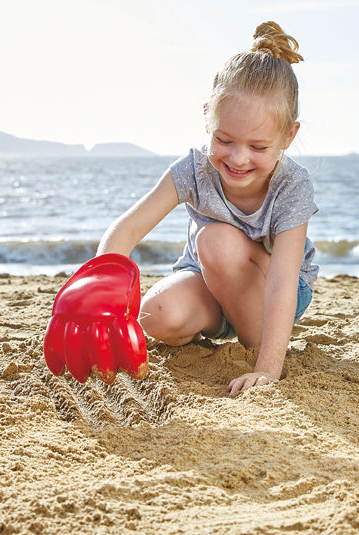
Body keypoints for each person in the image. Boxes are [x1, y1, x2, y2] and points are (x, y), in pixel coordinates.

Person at [96, 21, 319, 395]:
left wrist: (267, 367)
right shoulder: (194, 170)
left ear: (288, 136)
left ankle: (255, 343)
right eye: (224, 139)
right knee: (156, 316)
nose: (238, 158)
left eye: (259, 147)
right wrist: (102, 294)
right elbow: (128, 229)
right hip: (210, 280)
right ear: (207, 118)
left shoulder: (293, 187)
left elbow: (283, 280)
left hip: (276, 289)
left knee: (216, 241)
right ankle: (226, 324)